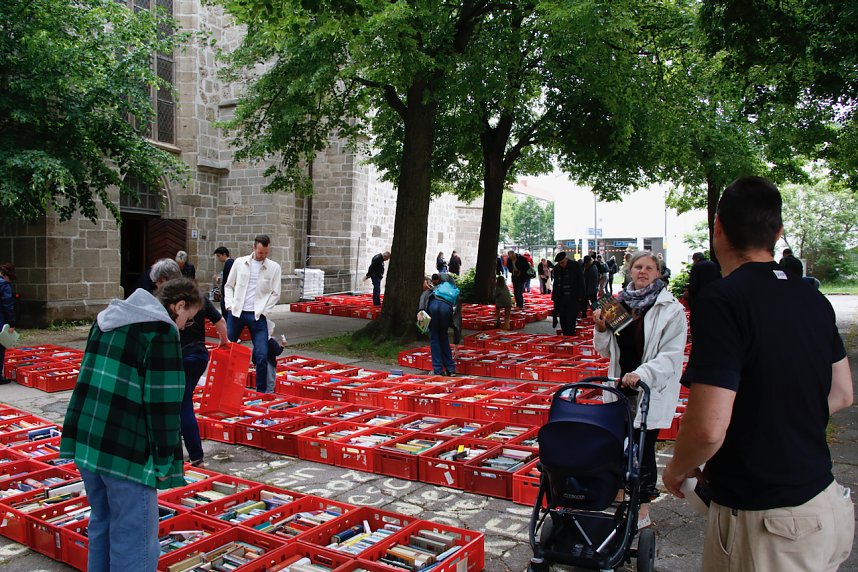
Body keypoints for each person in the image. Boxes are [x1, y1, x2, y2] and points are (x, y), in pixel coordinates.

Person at [663, 176, 854, 572]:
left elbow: (708, 428)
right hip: (824, 505)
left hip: (768, 526)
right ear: (778, 232)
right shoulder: (814, 299)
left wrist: (678, 468)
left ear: (718, 228)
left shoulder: (723, 299)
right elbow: (842, 394)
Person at [60, 277, 202, 572]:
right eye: (188, 320)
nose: (184, 327)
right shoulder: (160, 331)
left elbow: (87, 379)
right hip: (126, 449)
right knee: (134, 538)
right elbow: (163, 405)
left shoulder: (106, 320)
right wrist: (165, 463)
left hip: (88, 440)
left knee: (102, 522)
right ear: (178, 306)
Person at [593, 250, 687, 529]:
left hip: (648, 387)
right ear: (629, 271)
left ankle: (643, 507)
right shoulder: (617, 304)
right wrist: (600, 328)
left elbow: (671, 355)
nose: (643, 271)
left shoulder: (669, 309)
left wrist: (641, 373)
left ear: (658, 273)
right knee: (618, 442)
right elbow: (605, 351)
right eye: (637, 267)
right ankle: (622, 495)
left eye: (649, 268)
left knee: (643, 448)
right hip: (619, 386)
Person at [148, 261, 230, 468]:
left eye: (158, 283)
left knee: (181, 404)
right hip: (197, 355)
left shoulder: (168, 306)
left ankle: (191, 454)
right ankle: (188, 453)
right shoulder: (195, 298)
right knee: (181, 403)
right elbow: (220, 321)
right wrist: (225, 341)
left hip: (180, 358)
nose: (184, 324)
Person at [224, 234, 282, 393]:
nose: (262, 256)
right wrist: (229, 304)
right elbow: (228, 285)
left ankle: (261, 392)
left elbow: (276, 293)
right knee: (228, 350)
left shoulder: (274, 267)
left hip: (257, 315)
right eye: (260, 252)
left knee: (262, 355)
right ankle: (226, 386)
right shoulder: (239, 262)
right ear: (254, 248)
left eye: (266, 253)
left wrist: (265, 310)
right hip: (237, 313)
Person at [418, 274, 459, 376]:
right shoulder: (454, 293)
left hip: (433, 308)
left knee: (434, 337)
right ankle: (451, 369)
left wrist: (421, 310)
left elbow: (424, 294)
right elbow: (458, 319)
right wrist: (456, 343)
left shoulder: (435, 288)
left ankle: (438, 370)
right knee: (444, 337)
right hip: (446, 310)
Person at [551, 252, 584, 336]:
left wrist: (581, 299)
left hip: (573, 299)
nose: (561, 265)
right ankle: (565, 337)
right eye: (559, 263)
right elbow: (555, 284)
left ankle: (570, 337)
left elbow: (581, 282)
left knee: (571, 320)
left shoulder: (575, 266)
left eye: (562, 262)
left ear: (566, 259)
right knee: (563, 320)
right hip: (561, 299)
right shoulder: (557, 268)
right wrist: (554, 299)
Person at [686, 252, 721, 327]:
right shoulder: (713, 264)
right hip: (714, 296)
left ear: (697, 259)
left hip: (700, 297)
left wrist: (691, 295)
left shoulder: (697, 266)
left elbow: (693, 284)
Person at [0, 263, 17, 385]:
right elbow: (8, 305)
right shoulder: (4, 285)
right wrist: (11, 323)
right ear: (7, 276)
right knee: (0, 347)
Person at [266, 321, 287, 394]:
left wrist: (255, 362)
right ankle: (269, 393)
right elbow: (277, 352)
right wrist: (282, 346)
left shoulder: (258, 340)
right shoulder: (272, 342)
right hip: (270, 361)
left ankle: (261, 392)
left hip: (260, 361)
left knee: (262, 377)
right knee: (270, 378)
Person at [213, 247, 235, 318]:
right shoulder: (229, 263)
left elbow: (229, 279)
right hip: (226, 292)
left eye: (219, 256)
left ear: (224, 254)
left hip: (227, 293)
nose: (218, 258)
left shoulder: (229, 263)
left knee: (226, 314)